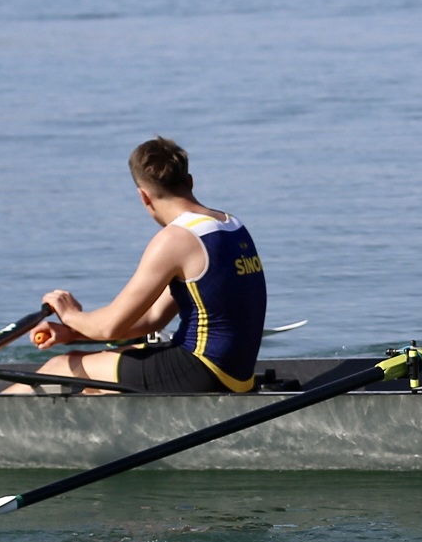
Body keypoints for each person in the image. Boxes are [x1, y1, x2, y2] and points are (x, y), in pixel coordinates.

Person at [20, 137, 266, 395]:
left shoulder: (175, 239)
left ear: (143, 197)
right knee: (100, 365)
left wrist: (70, 314)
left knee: (61, 366)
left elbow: (110, 326)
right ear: (190, 182)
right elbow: (151, 318)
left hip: (200, 371)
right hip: (233, 374)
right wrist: (73, 333)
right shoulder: (231, 224)